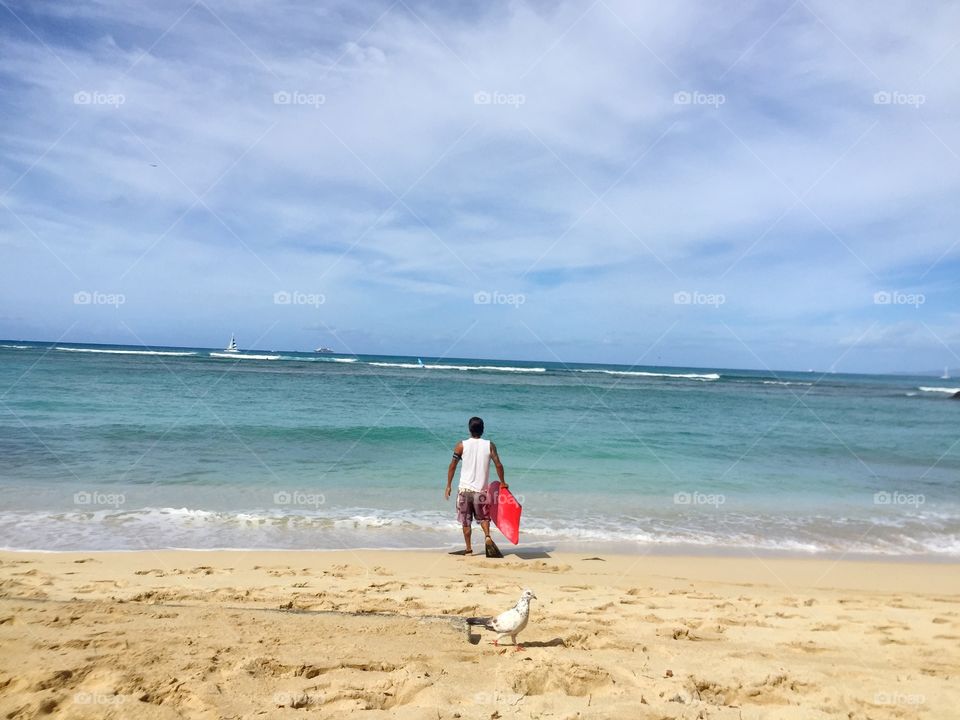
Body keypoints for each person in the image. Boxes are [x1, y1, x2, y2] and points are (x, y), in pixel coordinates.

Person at [445, 416, 506, 555]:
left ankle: (468, 549)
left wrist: (448, 485)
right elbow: (498, 465)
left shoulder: (461, 445)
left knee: (466, 521)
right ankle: (487, 537)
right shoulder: (489, 445)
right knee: (484, 518)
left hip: (464, 490)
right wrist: (502, 482)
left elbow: (452, 466)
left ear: (469, 429)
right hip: (481, 491)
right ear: (483, 429)